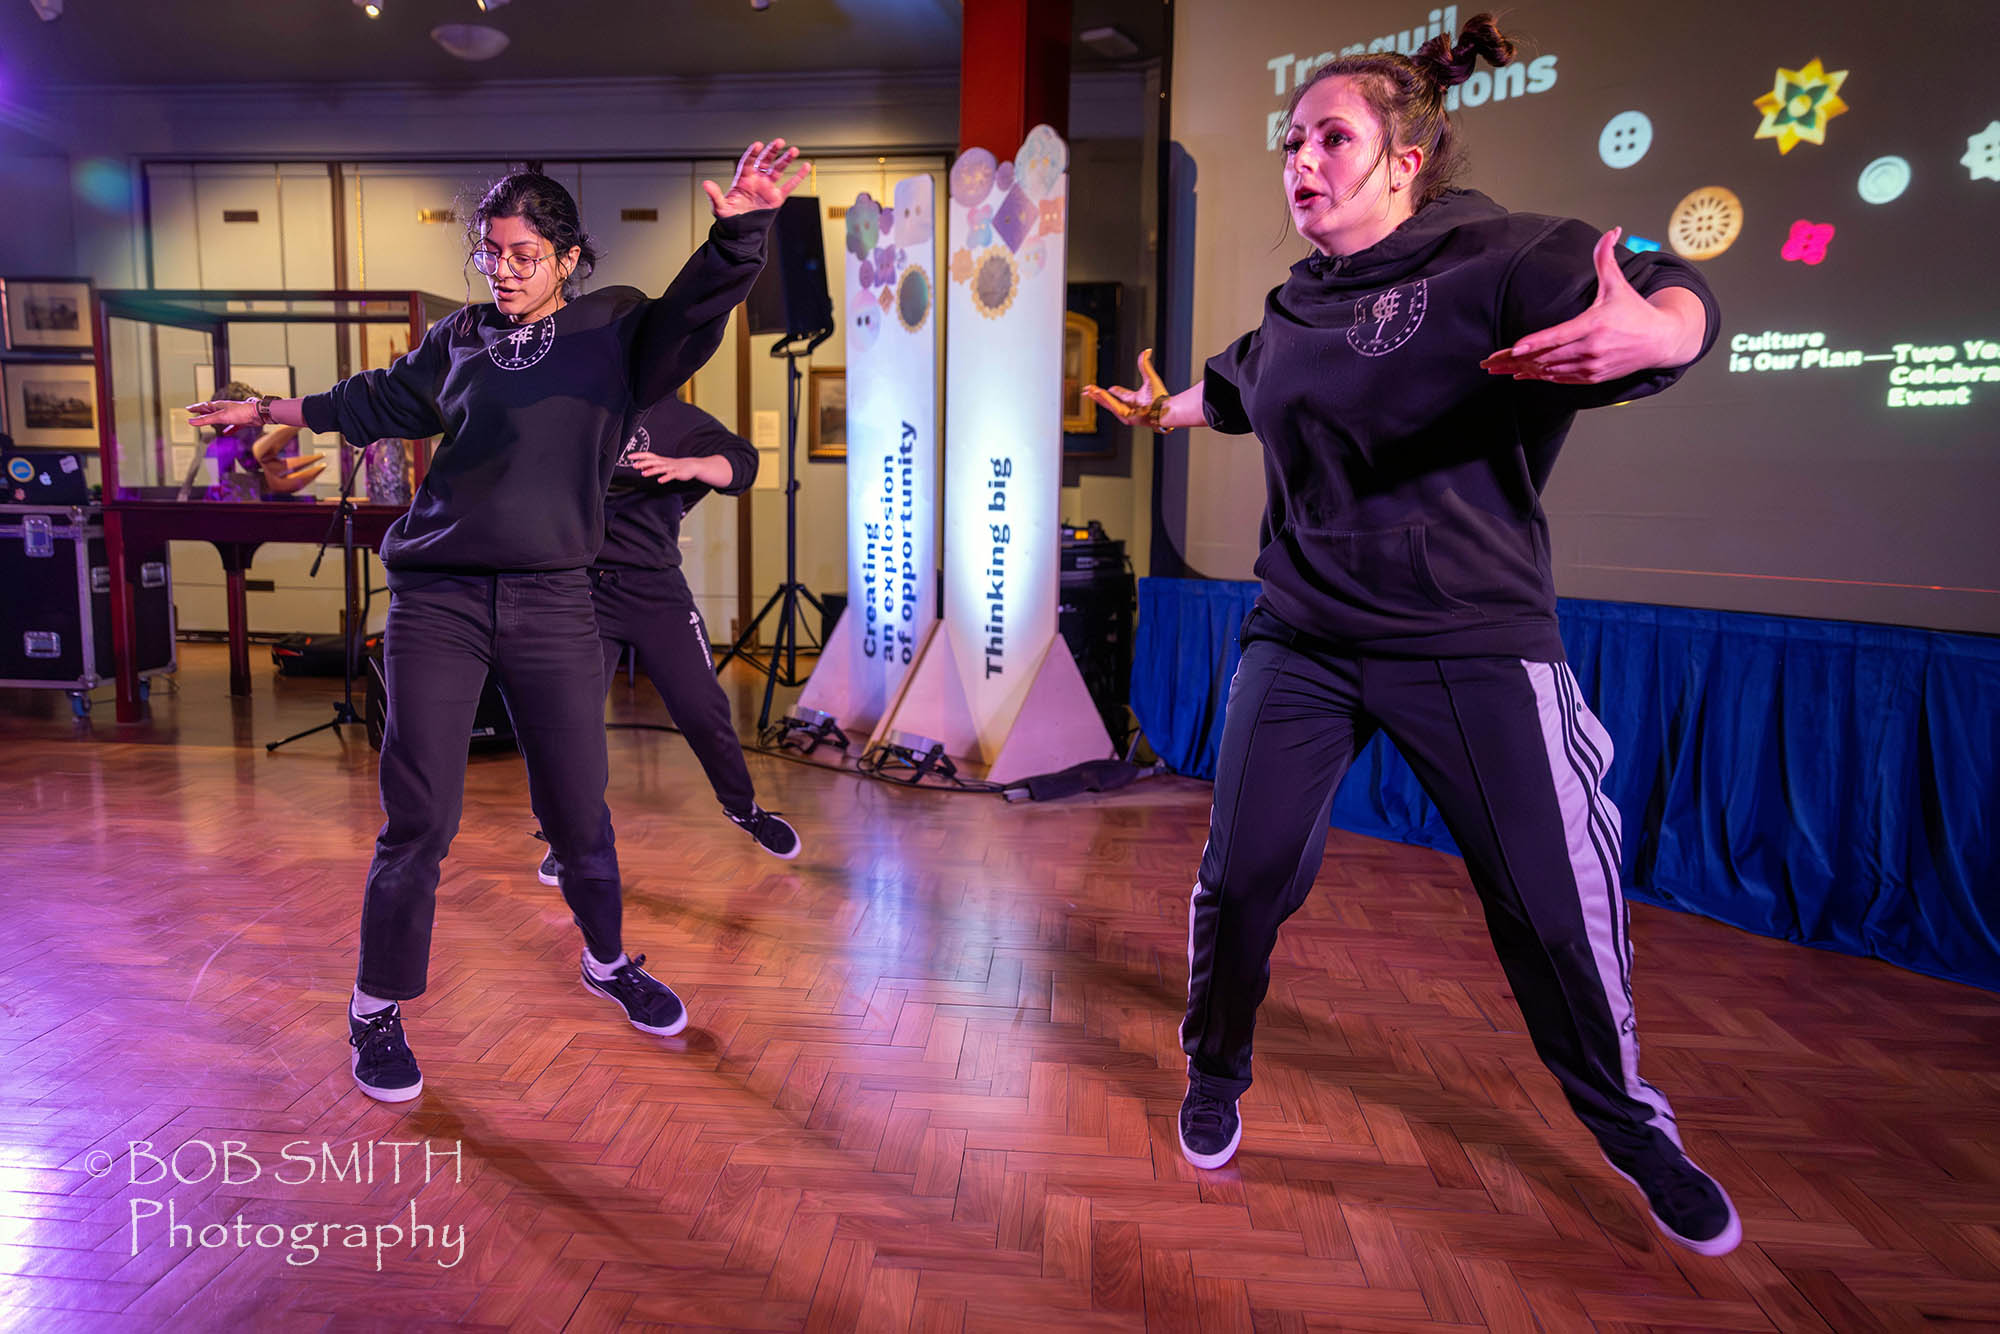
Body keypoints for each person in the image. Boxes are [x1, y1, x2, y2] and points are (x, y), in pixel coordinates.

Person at [1086, 18, 1740, 1257]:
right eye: (1291, 140)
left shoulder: (1500, 251)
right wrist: (1167, 406)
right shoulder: (1297, 299)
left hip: (1474, 640)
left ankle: (1631, 1127)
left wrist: (1665, 331)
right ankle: (1214, 1068)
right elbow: (1242, 377)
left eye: (1330, 137)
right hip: (1304, 637)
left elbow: (1661, 279)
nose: (1300, 160)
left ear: (1404, 157)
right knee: (1242, 877)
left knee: (1550, 907)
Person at [188, 140, 809, 1104]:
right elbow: (379, 399)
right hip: (438, 599)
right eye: (492, 253)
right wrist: (263, 407)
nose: (505, 271)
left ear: (567, 258)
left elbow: (695, 310)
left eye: (525, 255)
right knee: (421, 815)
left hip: (557, 596)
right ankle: (376, 1007)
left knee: (577, 807)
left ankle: (606, 963)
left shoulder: (617, 331)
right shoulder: (461, 339)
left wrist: (742, 229)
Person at [532, 395, 801, 883]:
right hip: (583, 588)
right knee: (569, 716)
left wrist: (691, 466)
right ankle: (567, 836)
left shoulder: (675, 418)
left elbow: (742, 464)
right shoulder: (572, 407)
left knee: (702, 706)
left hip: (657, 591)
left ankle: (744, 808)